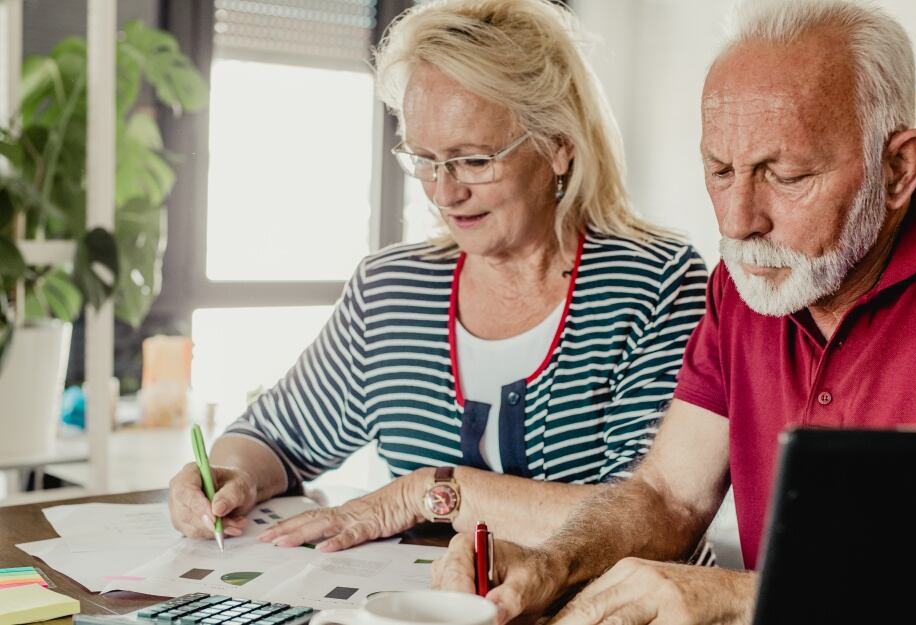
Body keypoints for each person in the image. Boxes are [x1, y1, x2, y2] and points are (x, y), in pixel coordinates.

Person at [432, 1, 916, 622]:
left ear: (898, 167)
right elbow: (669, 494)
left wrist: (741, 598)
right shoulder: (746, 282)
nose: (740, 221)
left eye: (786, 175)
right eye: (720, 170)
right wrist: (554, 563)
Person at [167, 0, 708, 551]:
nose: (445, 192)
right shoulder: (390, 290)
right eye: (425, 159)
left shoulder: (657, 282)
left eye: (474, 160)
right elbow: (275, 437)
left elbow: (647, 518)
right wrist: (228, 475)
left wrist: (425, 493)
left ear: (558, 147)